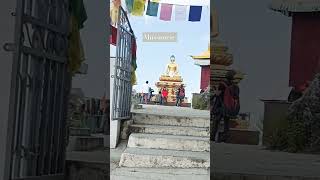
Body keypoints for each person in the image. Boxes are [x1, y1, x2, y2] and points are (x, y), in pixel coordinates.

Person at [211, 70, 240, 142]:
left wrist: (213, 93)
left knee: (216, 122)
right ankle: (225, 138)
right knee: (226, 123)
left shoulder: (223, 84)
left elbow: (218, 94)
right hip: (229, 107)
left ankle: (212, 137)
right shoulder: (235, 86)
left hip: (220, 106)